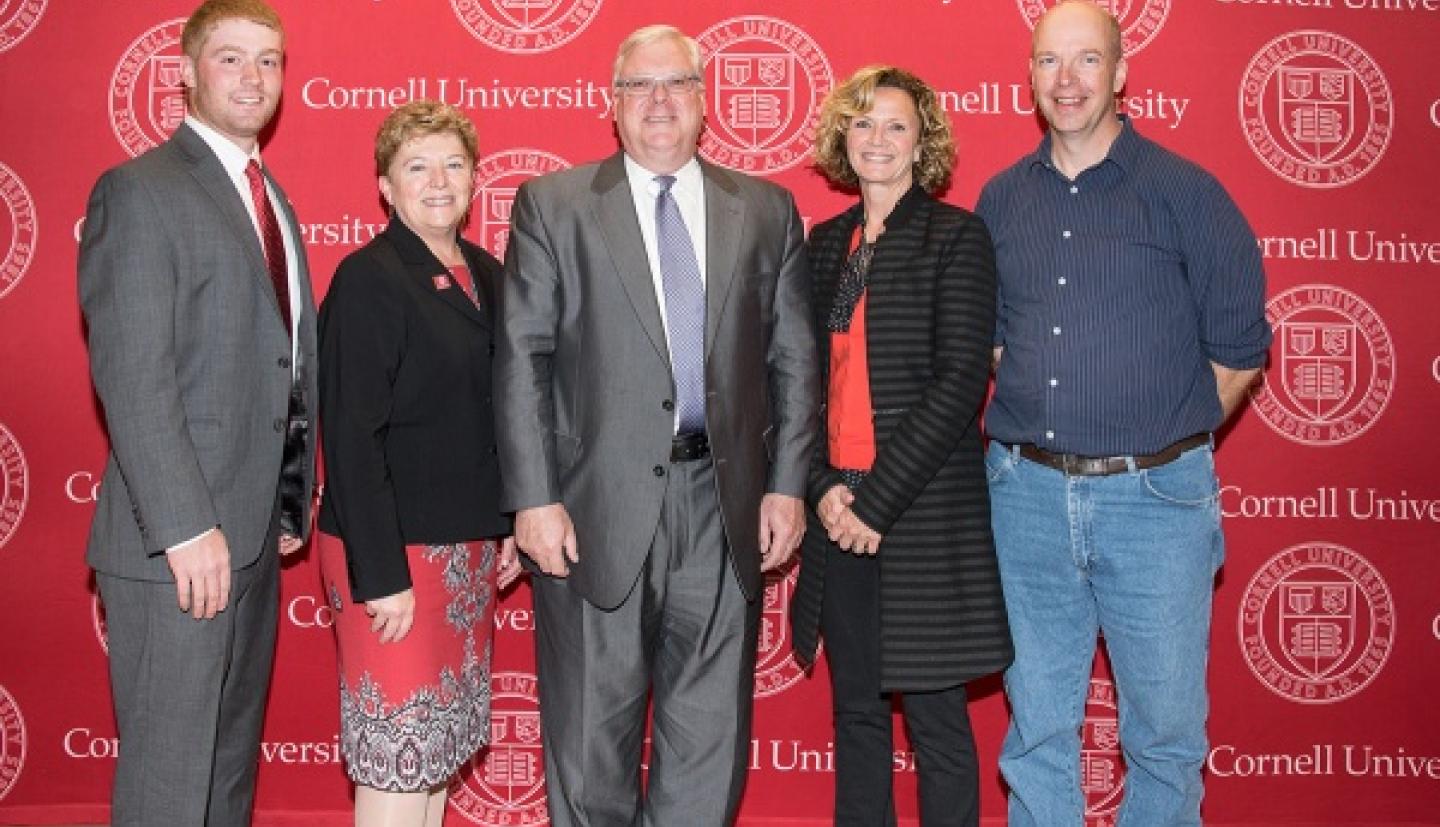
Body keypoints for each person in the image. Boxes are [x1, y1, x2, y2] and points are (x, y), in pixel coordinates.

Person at [493, 24, 819, 827]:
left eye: (677, 83)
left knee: (708, 750)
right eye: (640, 86)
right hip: (590, 511)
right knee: (588, 749)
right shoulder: (555, 206)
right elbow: (520, 360)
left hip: (724, 507)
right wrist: (532, 499)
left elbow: (796, 364)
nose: (660, 101)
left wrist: (786, 488)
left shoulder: (768, 211)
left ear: (706, 101)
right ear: (613, 105)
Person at [975, 3, 1272, 825]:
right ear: (1029, 76)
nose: (1066, 81)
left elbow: (1240, 350)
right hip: (1026, 499)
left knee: (1165, 734)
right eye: (1048, 62)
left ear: (1122, 72)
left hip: (1156, 506)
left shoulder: (1187, 192)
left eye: (1086, 61)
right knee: (1036, 729)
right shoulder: (1001, 202)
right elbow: (996, 341)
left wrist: (1152, 441)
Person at [76, 1, 316, 823]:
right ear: (183, 69)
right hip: (177, 549)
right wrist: (184, 527)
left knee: (224, 778)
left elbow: (277, 365)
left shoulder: (270, 198)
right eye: (230, 58)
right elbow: (134, 375)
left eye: (270, 61)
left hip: (248, 539)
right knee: (169, 786)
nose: (253, 78)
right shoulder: (139, 191)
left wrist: (289, 495)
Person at [789, 66, 1012, 827]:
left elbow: (958, 386)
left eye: (895, 125)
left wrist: (875, 503)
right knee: (855, 714)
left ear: (924, 142)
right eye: (862, 123)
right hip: (837, 509)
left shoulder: (957, 236)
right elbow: (802, 386)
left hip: (917, 518)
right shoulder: (825, 246)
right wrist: (823, 486)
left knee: (937, 726)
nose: (877, 139)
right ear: (841, 139)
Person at [315, 100, 523, 827]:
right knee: (398, 760)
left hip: (463, 558)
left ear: (475, 178)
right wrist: (384, 574)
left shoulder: (490, 275)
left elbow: (498, 419)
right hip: (392, 557)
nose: (438, 181)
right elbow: (348, 436)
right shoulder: (370, 279)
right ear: (385, 184)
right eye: (416, 166)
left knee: (434, 755)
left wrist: (506, 525)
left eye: (454, 164)